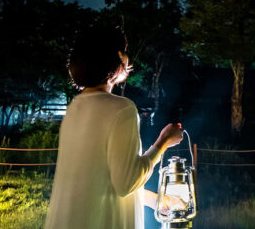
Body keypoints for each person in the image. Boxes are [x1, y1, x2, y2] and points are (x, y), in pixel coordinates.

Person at [45, 25, 184, 229]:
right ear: (118, 57)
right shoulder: (121, 109)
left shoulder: (75, 108)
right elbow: (126, 182)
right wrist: (163, 142)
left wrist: (156, 200)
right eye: (125, 51)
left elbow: (99, 180)